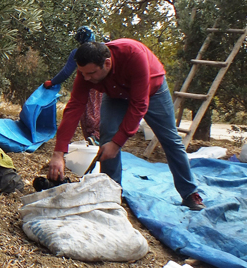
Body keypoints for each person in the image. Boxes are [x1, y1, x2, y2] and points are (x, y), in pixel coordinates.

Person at [46, 40, 206, 211]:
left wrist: (117, 143)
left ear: (107, 63)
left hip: (152, 92)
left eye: (91, 74)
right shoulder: (87, 70)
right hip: (116, 95)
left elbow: (139, 105)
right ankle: (111, 192)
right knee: (107, 135)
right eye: (82, 73)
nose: (86, 78)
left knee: (170, 140)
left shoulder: (133, 55)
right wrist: (58, 152)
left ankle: (190, 193)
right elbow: (75, 106)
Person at [44, 26, 102, 144]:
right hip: (103, 86)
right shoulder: (102, 48)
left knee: (89, 112)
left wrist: (53, 82)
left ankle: (95, 137)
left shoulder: (78, 52)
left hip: (87, 86)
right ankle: (99, 137)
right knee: (100, 110)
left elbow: (66, 72)